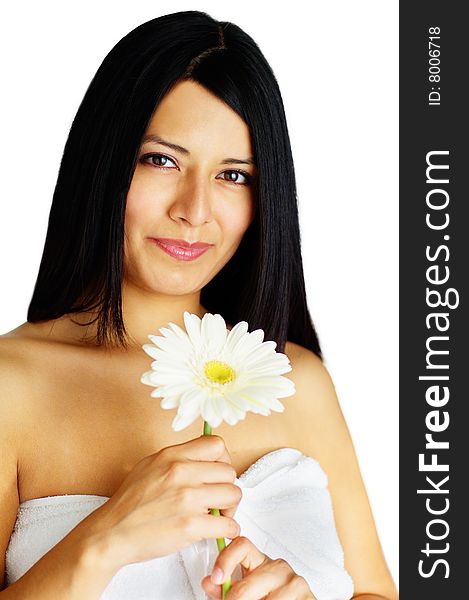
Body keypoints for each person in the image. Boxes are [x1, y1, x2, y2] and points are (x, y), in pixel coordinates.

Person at [0, 10, 398, 600]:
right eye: (161, 160)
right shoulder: (13, 386)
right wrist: (104, 539)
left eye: (234, 175)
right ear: (103, 164)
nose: (196, 209)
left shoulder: (298, 380)